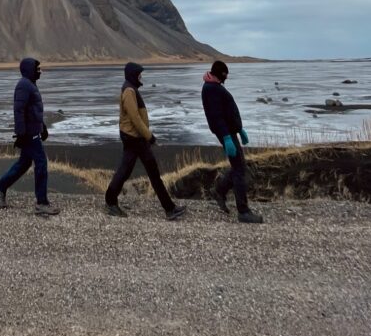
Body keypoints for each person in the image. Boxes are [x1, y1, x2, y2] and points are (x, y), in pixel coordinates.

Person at [104, 62, 185, 219]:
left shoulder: (130, 88)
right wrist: (150, 137)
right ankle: (169, 209)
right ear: (133, 75)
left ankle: (169, 208)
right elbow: (135, 118)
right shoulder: (129, 91)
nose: (141, 76)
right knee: (144, 172)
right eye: (139, 74)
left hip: (134, 137)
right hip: (134, 138)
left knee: (130, 171)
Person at [0, 57, 59, 216]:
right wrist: (21, 134)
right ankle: (41, 203)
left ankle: (0, 187)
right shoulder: (24, 85)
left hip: (32, 131)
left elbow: (33, 110)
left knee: (23, 163)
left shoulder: (30, 84)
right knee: (41, 163)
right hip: (29, 134)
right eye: (38, 69)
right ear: (30, 70)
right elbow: (19, 111)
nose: (40, 71)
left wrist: (42, 127)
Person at [201, 60, 263, 223]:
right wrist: (227, 137)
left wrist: (239, 129)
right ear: (219, 74)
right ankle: (243, 211)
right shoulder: (211, 89)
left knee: (238, 166)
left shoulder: (214, 86)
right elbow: (216, 116)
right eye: (225, 75)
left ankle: (219, 191)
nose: (226, 78)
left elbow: (227, 112)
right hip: (226, 133)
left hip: (230, 132)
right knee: (239, 169)